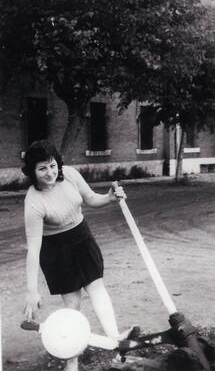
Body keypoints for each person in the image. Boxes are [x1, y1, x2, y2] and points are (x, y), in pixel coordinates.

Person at [22, 140, 137, 371]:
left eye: (52, 165)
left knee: (97, 288)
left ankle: (116, 342)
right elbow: (33, 250)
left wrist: (110, 197)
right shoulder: (33, 202)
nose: (50, 172)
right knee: (72, 303)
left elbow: (92, 199)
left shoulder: (71, 175)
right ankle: (71, 360)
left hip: (82, 238)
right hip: (56, 249)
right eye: (42, 168)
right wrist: (31, 291)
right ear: (32, 172)